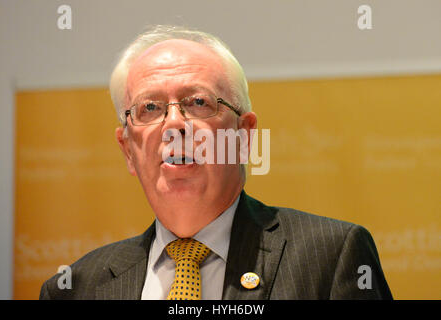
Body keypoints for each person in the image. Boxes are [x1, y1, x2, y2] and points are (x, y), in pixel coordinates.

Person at [39, 25, 392, 300]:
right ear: (128, 150)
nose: (174, 123)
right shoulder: (74, 288)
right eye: (150, 108)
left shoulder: (331, 259)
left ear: (244, 136)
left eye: (197, 102)